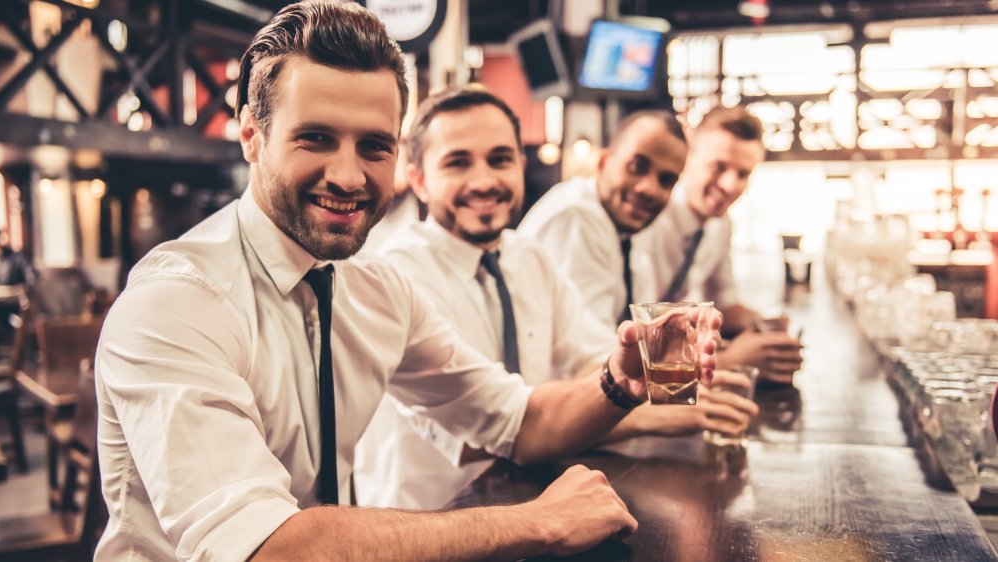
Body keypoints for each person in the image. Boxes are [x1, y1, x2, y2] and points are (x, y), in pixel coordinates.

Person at [93, 3, 721, 561]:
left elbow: (518, 422)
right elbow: (269, 548)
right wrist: (537, 522)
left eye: (374, 146)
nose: (348, 175)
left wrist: (619, 381)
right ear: (252, 138)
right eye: (316, 138)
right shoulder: (176, 300)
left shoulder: (374, 287)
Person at [353, 87, 757, 510]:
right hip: (434, 524)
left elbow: (591, 356)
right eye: (458, 162)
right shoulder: (400, 273)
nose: (485, 181)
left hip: (526, 502)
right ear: (418, 178)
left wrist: (649, 375)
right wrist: (643, 410)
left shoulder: (524, 257)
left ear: (520, 166)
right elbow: (487, 435)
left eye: (500, 159)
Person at [631, 106, 803, 383]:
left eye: (743, 174)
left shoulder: (720, 224)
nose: (729, 185)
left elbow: (724, 303)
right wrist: (734, 358)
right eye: (719, 167)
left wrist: (765, 328)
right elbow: (642, 338)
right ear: (688, 156)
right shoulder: (646, 218)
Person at [518, 110, 688, 335]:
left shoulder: (624, 232)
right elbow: (592, 347)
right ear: (603, 161)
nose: (649, 189)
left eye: (666, 180)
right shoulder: (576, 216)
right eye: (637, 166)